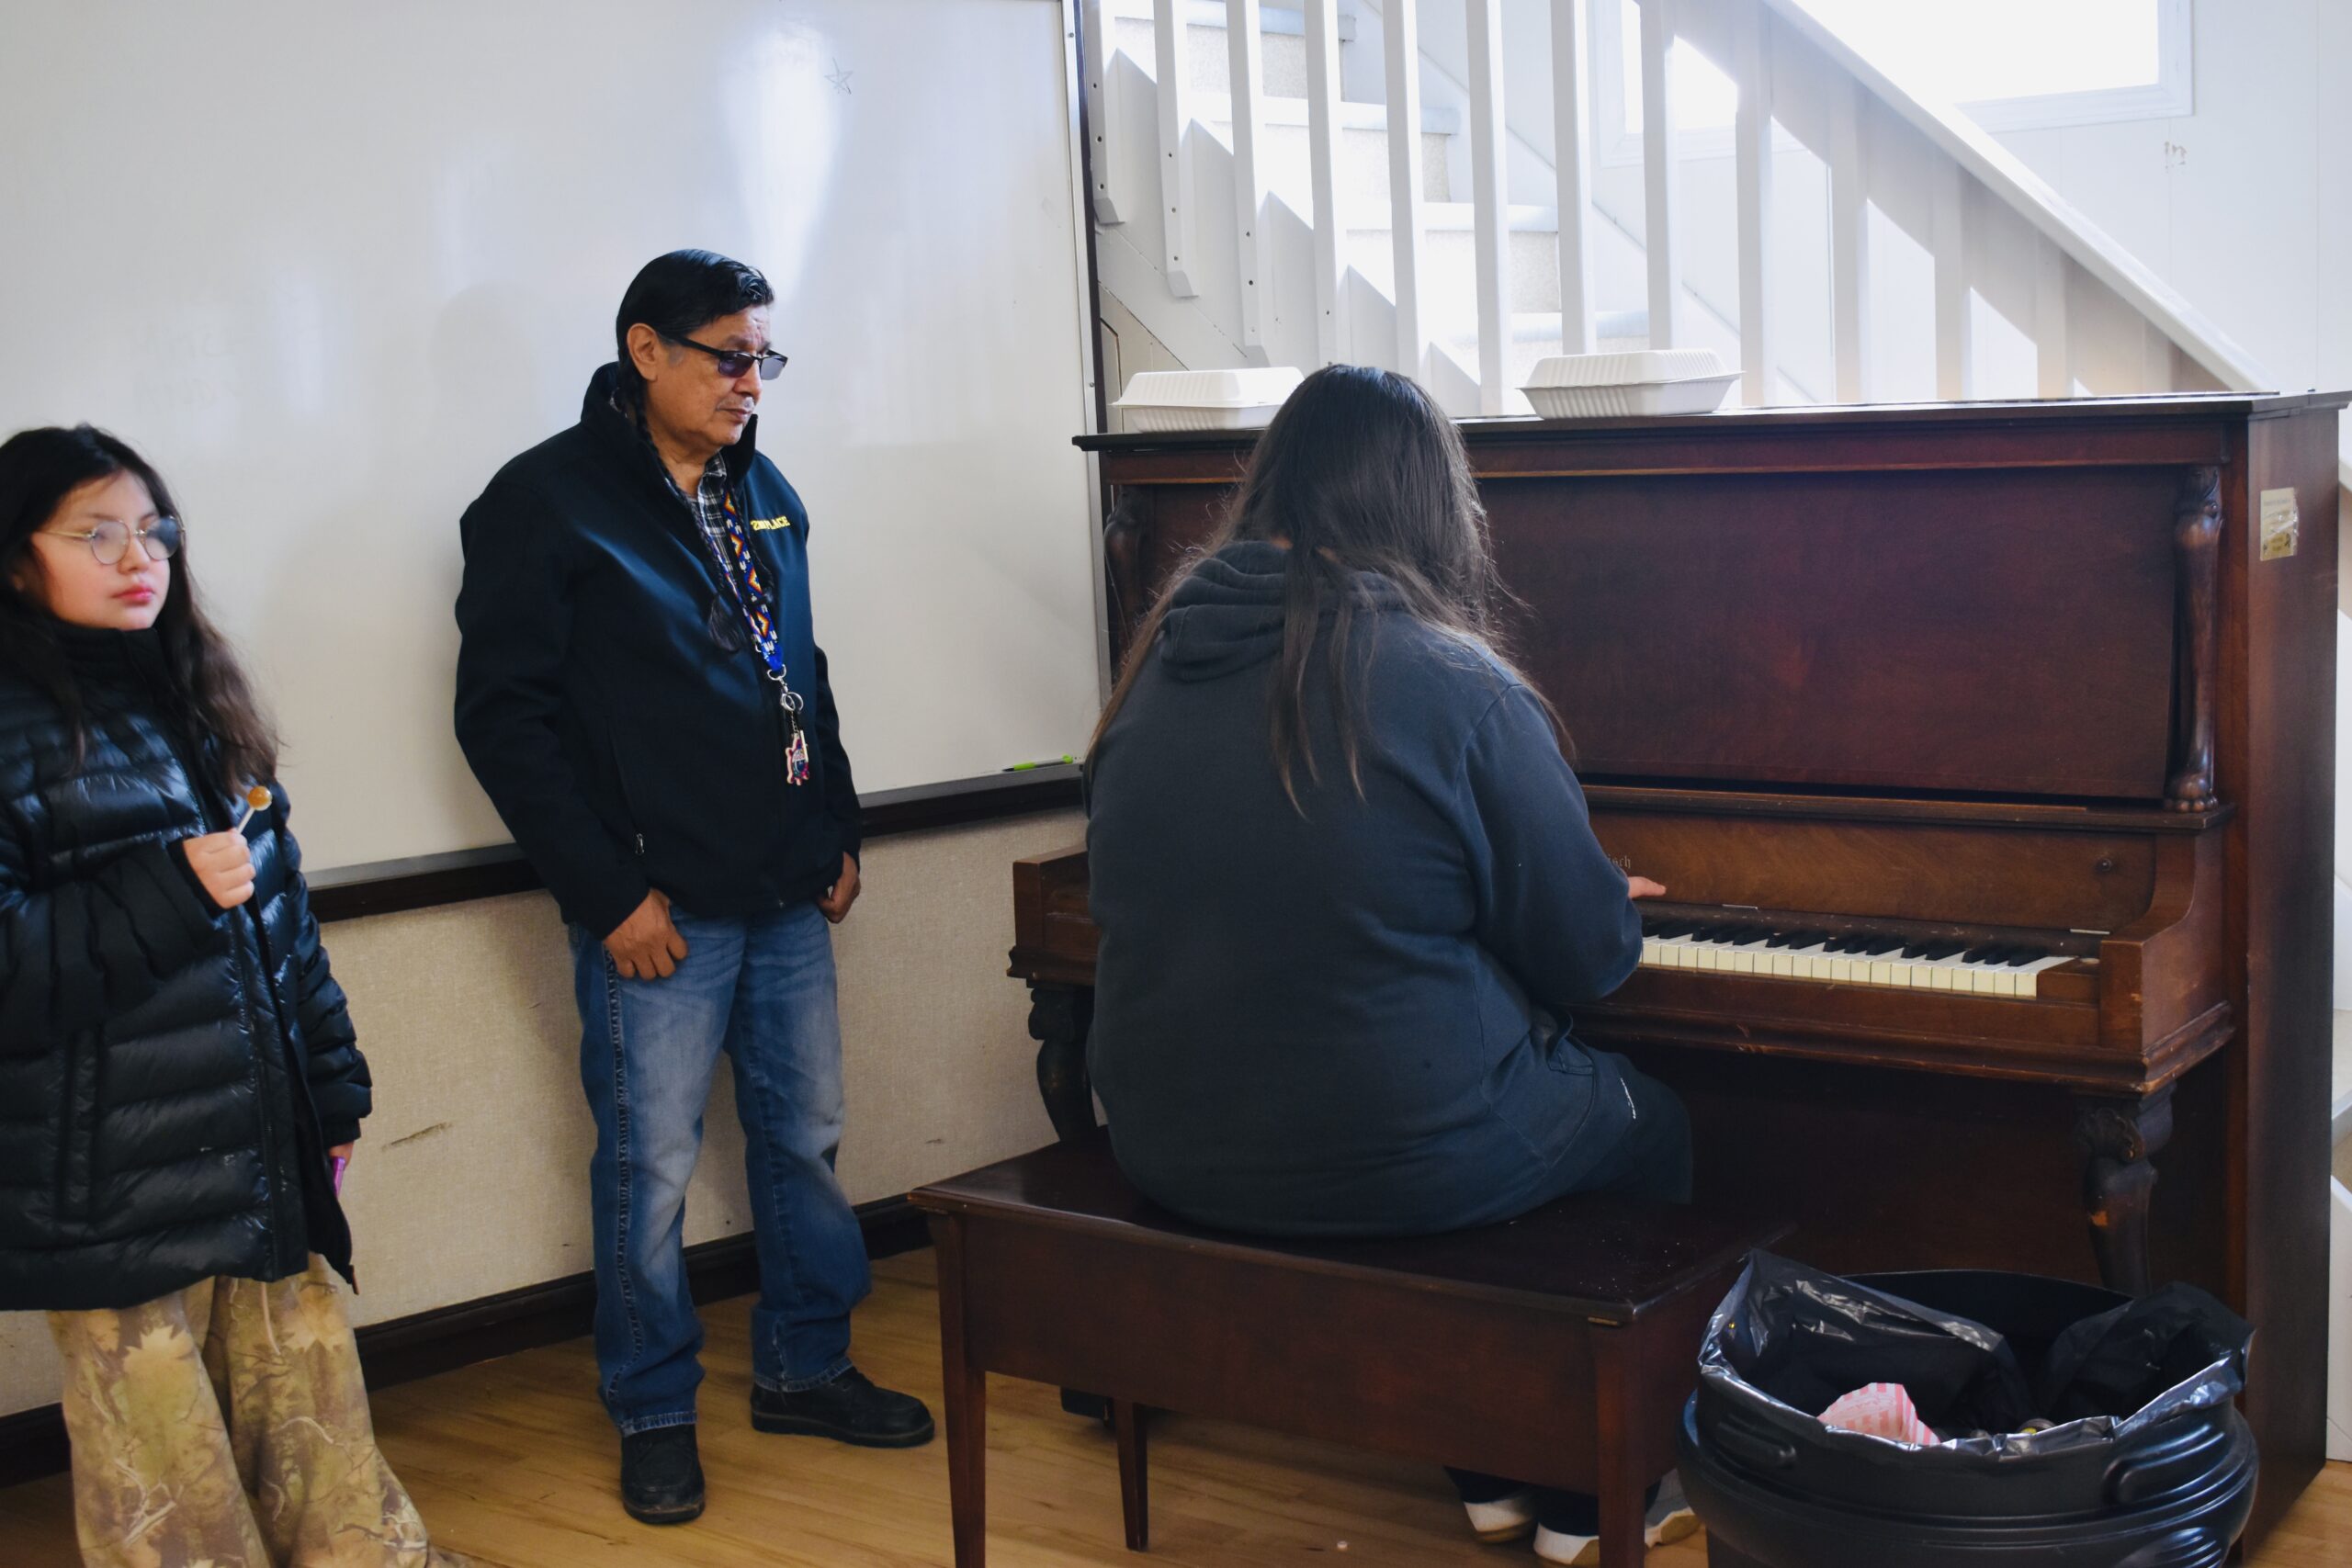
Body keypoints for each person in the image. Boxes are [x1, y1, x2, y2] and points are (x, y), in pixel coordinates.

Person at [1082, 365, 1697, 1566]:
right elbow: (1587, 959)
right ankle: (1595, 1486)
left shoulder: (1154, 666)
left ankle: (1487, 1455)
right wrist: (1589, 892)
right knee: (1650, 1125)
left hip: (1167, 1136)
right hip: (1388, 1147)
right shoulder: (1453, 680)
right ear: (1430, 505)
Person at [453, 249, 930, 1527]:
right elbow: (504, 723)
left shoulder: (761, 489)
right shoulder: (545, 502)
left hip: (786, 888)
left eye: (763, 358)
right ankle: (654, 1407)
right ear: (645, 349)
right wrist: (607, 893)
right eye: (728, 356)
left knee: (804, 1137)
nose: (749, 382)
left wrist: (836, 825)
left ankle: (806, 1365)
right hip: (655, 907)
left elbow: (798, 670)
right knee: (650, 1167)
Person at [0, 424, 464, 1567]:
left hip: (254, 1140)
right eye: (95, 534)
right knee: (163, 1470)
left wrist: (330, 1096)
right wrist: (167, 890)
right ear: (15, 560)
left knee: (311, 1415)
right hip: (104, 1176)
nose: (137, 558)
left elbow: (285, 927)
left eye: (152, 530)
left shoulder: (194, 697)